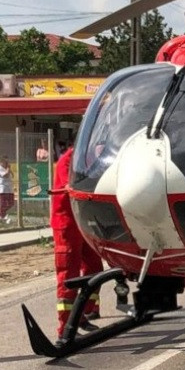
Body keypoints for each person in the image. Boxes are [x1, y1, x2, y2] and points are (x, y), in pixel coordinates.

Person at [51, 146, 104, 343]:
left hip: (83, 222)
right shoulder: (69, 159)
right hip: (66, 224)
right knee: (69, 274)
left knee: (95, 268)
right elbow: (73, 185)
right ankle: (65, 326)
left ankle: (84, 313)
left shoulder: (87, 158)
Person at [0, 156, 15, 223]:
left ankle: (0, 213)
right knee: (3, 204)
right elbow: (6, 175)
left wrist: (9, 169)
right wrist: (8, 168)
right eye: (5, 162)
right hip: (3, 188)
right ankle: (1, 215)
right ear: (1, 162)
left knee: (11, 203)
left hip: (9, 188)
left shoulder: (6, 168)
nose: (6, 163)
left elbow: (12, 175)